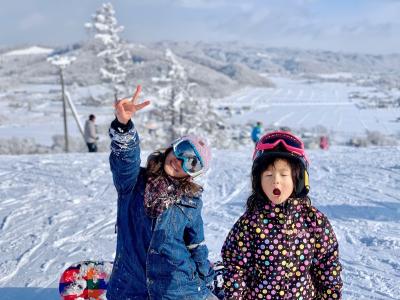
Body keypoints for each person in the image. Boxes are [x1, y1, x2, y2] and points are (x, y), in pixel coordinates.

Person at [106, 85, 217, 300]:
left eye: (192, 163)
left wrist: (205, 278)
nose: (180, 161)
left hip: (176, 287)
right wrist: (123, 126)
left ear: (194, 174)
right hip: (131, 286)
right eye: (181, 150)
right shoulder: (133, 183)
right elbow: (124, 159)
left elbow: (196, 243)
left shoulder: (191, 201)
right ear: (171, 147)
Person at [221, 131, 343, 299]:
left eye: (284, 174)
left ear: (298, 180)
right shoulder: (250, 223)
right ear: (258, 181)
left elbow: (327, 265)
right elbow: (236, 267)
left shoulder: (314, 221)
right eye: (268, 175)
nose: (276, 181)